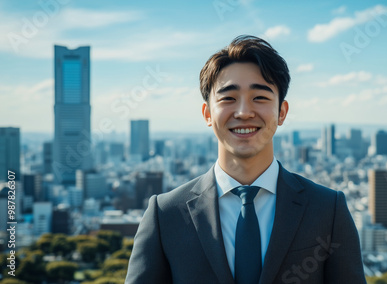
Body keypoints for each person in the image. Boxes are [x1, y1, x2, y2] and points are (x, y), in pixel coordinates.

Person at [125, 35, 366, 284]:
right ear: (207, 113)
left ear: (281, 112)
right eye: (228, 98)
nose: (243, 112)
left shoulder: (327, 209)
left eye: (260, 98)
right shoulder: (166, 214)